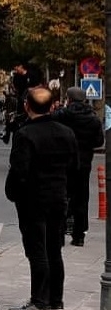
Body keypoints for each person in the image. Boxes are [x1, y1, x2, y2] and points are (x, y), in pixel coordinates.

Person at [5, 87, 78, 310]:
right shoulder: (67, 132)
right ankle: (56, 301)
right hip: (58, 198)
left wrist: (13, 193)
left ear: (27, 106)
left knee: (37, 251)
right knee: (54, 251)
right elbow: (75, 169)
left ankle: (39, 301)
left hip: (32, 202)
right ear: (53, 106)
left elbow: (19, 171)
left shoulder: (25, 134)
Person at [52, 86, 104, 247]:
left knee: (61, 196)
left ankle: (59, 233)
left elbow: (53, 132)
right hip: (84, 163)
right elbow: (99, 142)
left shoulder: (62, 115)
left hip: (63, 161)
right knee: (82, 198)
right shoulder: (93, 119)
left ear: (69, 99)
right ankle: (79, 235)